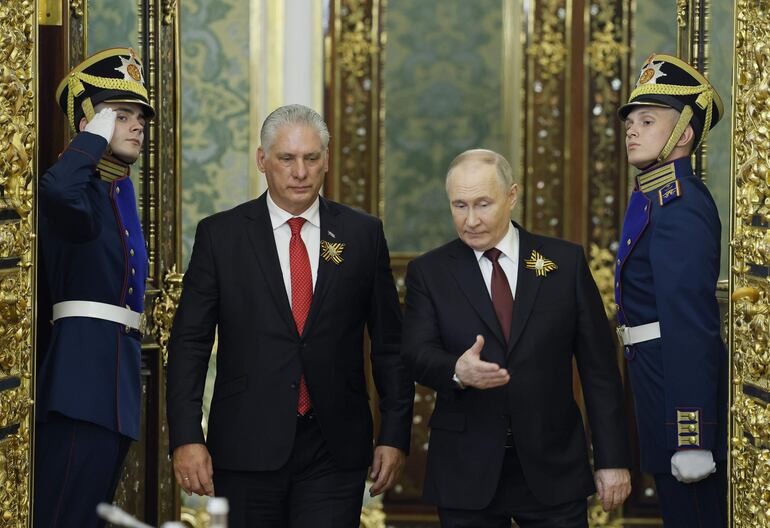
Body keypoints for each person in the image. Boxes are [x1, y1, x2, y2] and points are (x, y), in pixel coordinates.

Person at [166, 104, 414, 527]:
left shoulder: (362, 234)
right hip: (245, 444)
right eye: (286, 158)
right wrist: (187, 437)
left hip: (334, 447)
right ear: (263, 161)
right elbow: (189, 343)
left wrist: (394, 434)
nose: (300, 171)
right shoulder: (221, 235)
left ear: (326, 161)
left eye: (311, 158)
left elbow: (390, 345)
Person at [401, 149, 631, 527]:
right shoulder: (430, 272)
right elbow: (414, 352)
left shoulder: (565, 263)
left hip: (552, 466)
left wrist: (613, 460)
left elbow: (600, 371)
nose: (470, 220)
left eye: (483, 204)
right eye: (459, 206)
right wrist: (456, 370)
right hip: (467, 468)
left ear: (512, 196)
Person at [35, 47, 154, 527]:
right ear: (91, 123)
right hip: (80, 382)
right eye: (121, 116)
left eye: (140, 116)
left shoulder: (117, 191)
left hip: (114, 385)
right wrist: (91, 139)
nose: (137, 125)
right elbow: (59, 189)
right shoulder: (78, 192)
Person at [615, 53, 728, 526]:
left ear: (683, 134)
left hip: (675, 389)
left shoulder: (679, 205)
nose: (631, 130)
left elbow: (689, 324)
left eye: (647, 120)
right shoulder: (653, 197)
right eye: (630, 122)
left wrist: (692, 435)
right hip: (654, 379)